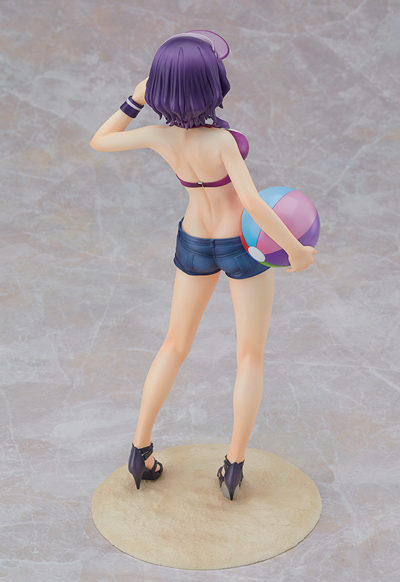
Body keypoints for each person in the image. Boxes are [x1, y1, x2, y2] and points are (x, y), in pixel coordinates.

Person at [90, 30, 317, 501]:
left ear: (161, 86)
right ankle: (233, 465)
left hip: (193, 240)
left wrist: (135, 99)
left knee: (174, 344)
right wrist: (294, 248)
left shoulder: (159, 136)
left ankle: (139, 451)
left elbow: (101, 140)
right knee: (249, 355)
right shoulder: (223, 141)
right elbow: (252, 202)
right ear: (211, 83)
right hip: (240, 245)